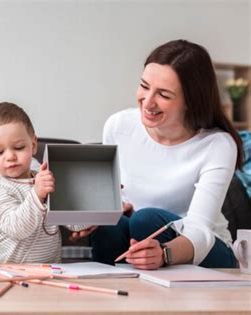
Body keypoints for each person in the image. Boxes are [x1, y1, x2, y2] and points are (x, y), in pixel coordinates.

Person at [80, 39, 244, 270]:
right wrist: (95, 215)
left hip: (201, 249)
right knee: (112, 224)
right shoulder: (119, 126)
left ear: (191, 100)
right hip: (139, 243)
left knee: (144, 220)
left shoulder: (217, 145)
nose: (147, 102)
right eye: (144, 86)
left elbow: (199, 230)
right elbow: (113, 198)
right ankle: (109, 291)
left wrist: (165, 254)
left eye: (164, 95)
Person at [0, 102, 89, 263]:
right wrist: (37, 195)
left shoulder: (45, 179)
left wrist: (100, 203)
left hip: (52, 268)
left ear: (33, 145)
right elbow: (16, 228)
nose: (10, 156)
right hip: (14, 271)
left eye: (19, 147)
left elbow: (73, 224)